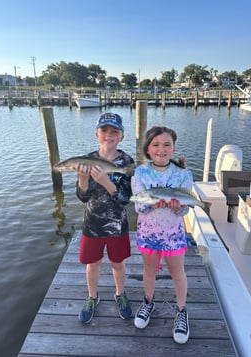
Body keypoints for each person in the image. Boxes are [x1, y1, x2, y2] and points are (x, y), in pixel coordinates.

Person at [131, 125, 193, 344]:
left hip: (174, 234)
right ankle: (148, 302)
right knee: (149, 271)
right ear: (148, 149)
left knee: (178, 273)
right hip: (148, 233)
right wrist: (154, 204)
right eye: (156, 145)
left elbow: (185, 209)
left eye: (167, 144)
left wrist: (177, 207)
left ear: (174, 148)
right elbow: (139, 207)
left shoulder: (184, 174)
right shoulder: (140, 173)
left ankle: (181, 310)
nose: (161, 149)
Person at [74, 112, 134, 324]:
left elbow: (126, 198)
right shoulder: (86, 160)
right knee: (93, 263)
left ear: (121, 136)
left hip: (117, 225)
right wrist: (83, 178)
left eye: (114, 131)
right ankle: (92, 296)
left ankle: (120, 294)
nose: (109, 135)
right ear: (97, 134)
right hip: (92, 224)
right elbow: (82, 196)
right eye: (105, 131)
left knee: (118, 263)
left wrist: (106, 182)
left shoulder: (126, 161)